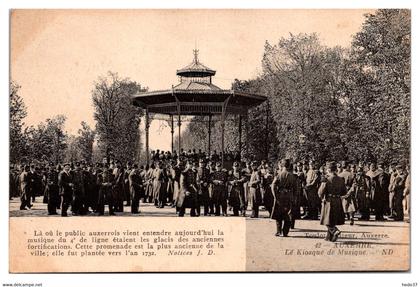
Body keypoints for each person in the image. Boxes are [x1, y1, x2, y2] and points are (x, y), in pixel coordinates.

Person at [318, 161, 347, 242]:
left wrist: (321, 198)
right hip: (337, 200)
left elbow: (320, 192)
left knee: (326, 219)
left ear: (329, 170)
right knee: (332, 219)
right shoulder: (341, 179)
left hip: (329, 201)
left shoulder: (327, 179)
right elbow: (344, 192)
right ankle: (329, 237)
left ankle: (334, 231)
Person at [271, 159, 298, 237]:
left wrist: (275, 195)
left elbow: (273, 186)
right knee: (288, 214)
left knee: (278, 214)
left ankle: (278, 231)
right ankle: (285, 232)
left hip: (280, 196)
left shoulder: (279, 175)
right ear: (289, 166)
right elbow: (296, 189)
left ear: (282, 165)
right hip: (289, 196)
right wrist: (294, 198)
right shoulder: (292, 176)